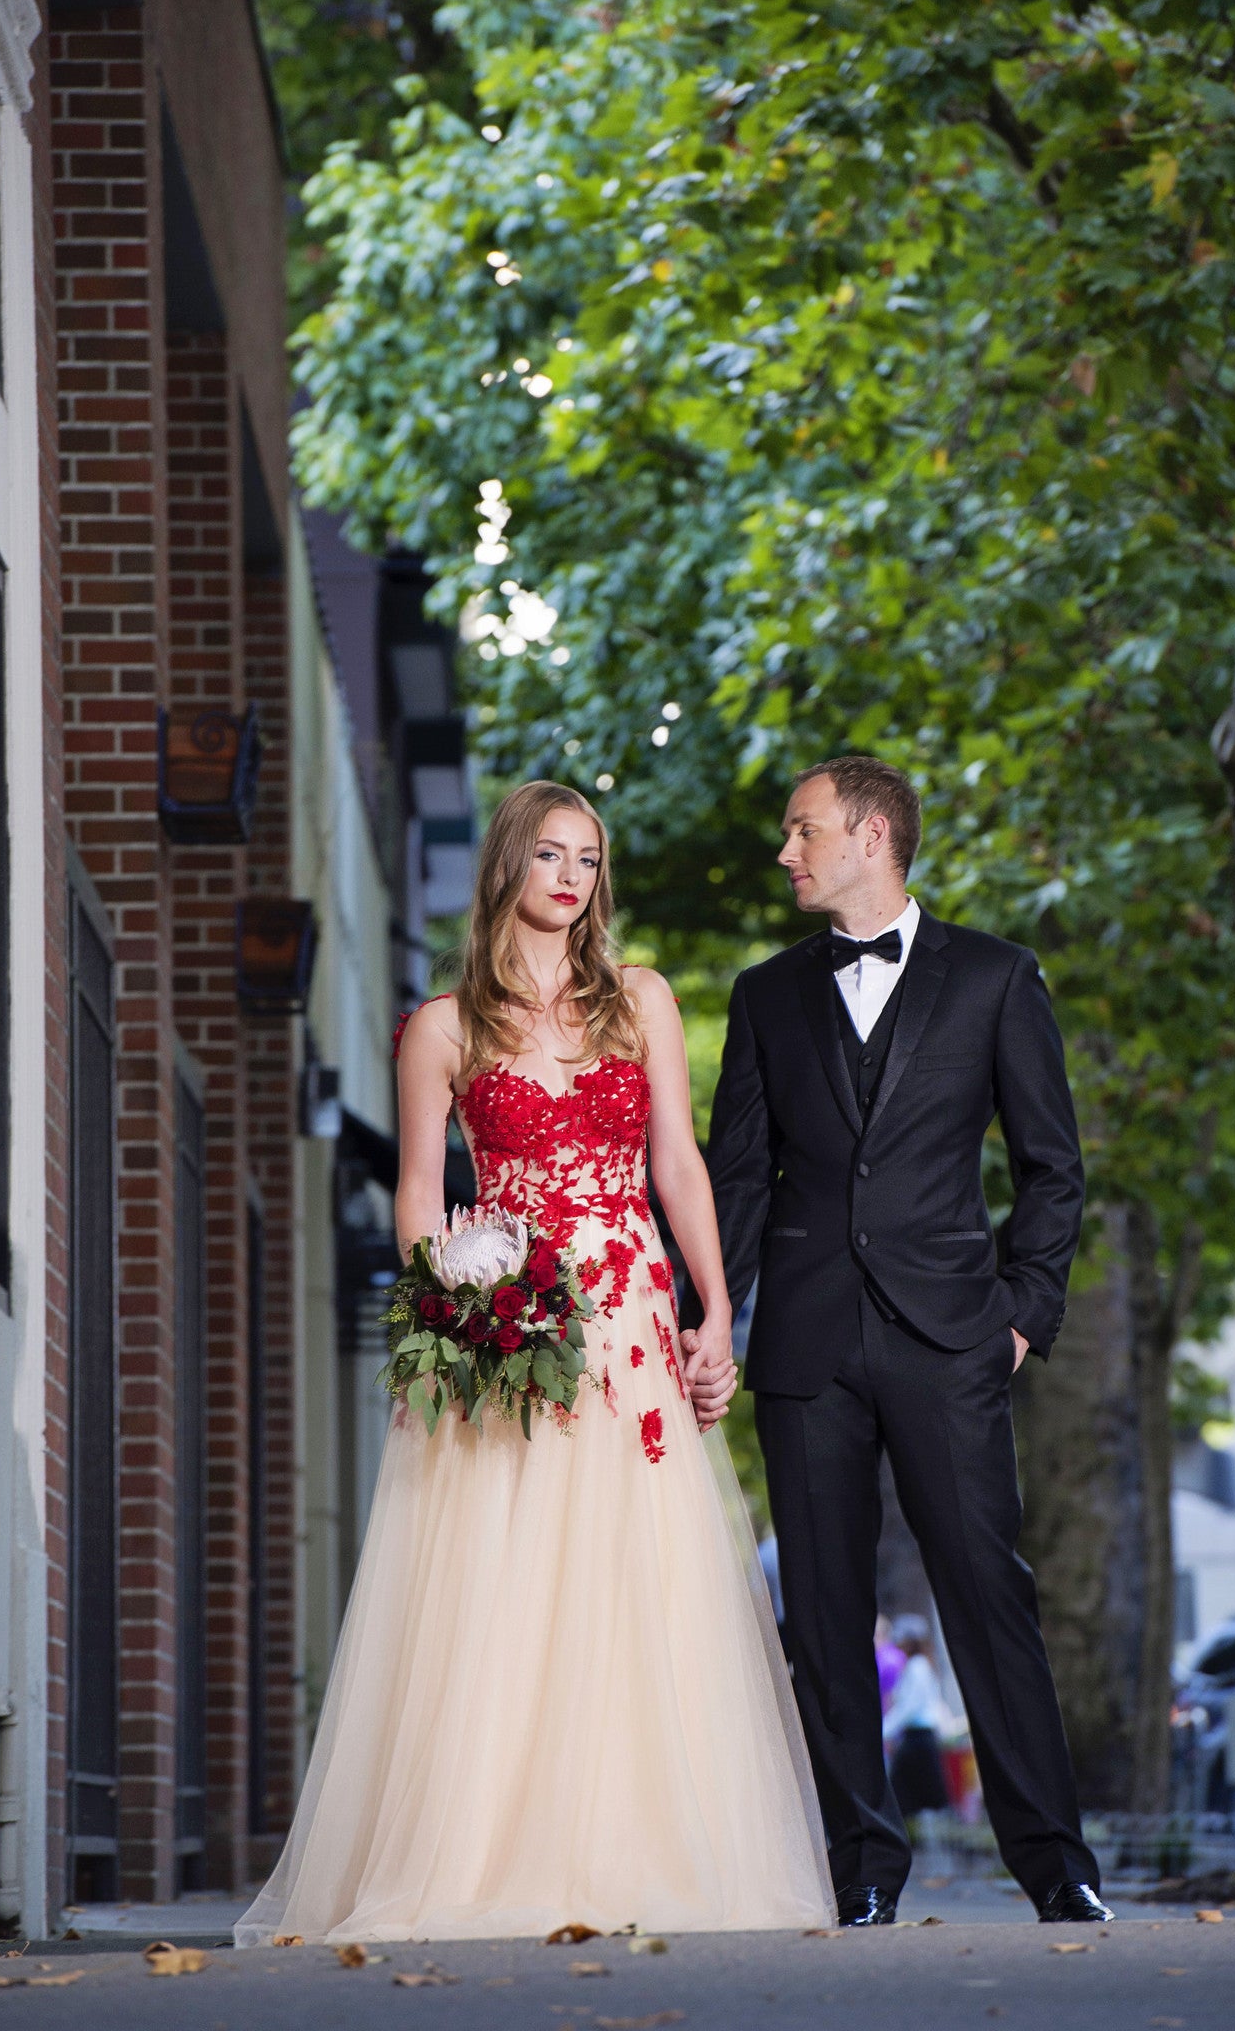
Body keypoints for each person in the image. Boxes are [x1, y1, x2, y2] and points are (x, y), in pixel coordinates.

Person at [235, 781, 833, 1944]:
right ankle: (485, 1851)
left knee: (637, 1573)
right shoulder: (442, 1024)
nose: (573, 876)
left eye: (591, 859)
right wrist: (446, 1302)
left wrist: (718, 1309)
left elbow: (680, 1166)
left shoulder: (642, 999)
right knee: (500, 1577)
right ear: (508, 862)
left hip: (629, 1307)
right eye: (552, 853)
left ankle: (644, 1847)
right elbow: (417, 1185)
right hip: (509, 1310)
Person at [681, 754, 1111, 1927]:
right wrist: (704, 1317)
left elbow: (1050, 1169)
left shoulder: (995, 976)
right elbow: (735, 1182)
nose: (786, 851)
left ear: (870, 835)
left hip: (951, 1337)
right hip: (805, 1345)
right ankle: (860, 1869)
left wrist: (1022, 1316)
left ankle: (1055, 1862)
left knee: (987, 1593)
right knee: (821, 1616)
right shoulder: (765, 993)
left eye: (801, 829)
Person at [881, 1617, 953, 1820]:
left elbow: (909, 1707)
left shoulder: (917, 1667)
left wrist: (884, 1730)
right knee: (916, 1796)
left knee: (901, 1796)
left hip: (918, 1740)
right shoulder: (918, 1666)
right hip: (918, 1740)